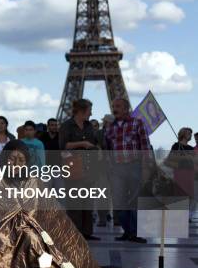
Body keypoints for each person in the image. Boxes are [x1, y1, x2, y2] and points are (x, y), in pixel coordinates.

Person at [105, 98, 151, 244]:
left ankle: (134, 232)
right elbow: (107, 148)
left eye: (117, 106)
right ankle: (127, 230)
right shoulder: (110, 127)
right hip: (117, 169)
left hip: (134, 166)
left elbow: (145, 146)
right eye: (113, 106)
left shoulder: (137, 123)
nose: (114, 108)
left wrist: (146, 167)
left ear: (126, 108)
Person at [59, 99, 100, 241]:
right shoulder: (66, 126)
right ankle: (75, 233)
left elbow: (95, 142)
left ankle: (87, 232)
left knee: (87, 201)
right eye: (89, 110)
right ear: (82, 111)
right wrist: (82, 144)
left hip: (89, 167)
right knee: (74, 202)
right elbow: (63, 145)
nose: (91, 113)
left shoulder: (89, 126)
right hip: (74, 167)